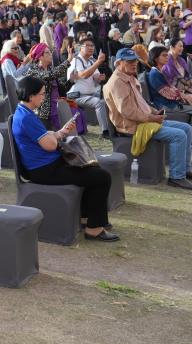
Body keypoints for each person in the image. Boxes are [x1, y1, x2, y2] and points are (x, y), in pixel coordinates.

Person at [12, 74, 117, 240]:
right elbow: (50, 145)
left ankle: (88, 218)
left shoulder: (24, 112)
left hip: (46, 165)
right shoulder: (26, 117)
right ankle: (94, 228)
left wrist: (61, 132)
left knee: (92, 169)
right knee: (101, 177)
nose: (44, 97)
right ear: (31, 96)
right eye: (42, 94)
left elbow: (44, 137)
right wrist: (56, 137)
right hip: (44, 170)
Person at [104, 48, 192, 191]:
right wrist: (151, 117)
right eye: (130, 61)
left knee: (186, 128)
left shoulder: (129, 77)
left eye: (135, 61)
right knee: (179, 135)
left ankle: (184, 170)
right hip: (132, 126)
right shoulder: (117, 83)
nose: (134, 64)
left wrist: (155, 112)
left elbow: (141, 103)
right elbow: (127, 112)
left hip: (144, 121)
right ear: (119, 63)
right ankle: (176, 177)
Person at [145, 46, 192, 147]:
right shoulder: (154, 74)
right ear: (156, 58)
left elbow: (171, 88)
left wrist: (183, 95)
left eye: (167, 55)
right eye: (164, 55)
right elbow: (167, 93)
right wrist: (183, 96)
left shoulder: (159, 71)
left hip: (170, 102)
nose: (167, 57)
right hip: (165, 105)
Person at [65, 38, 110, 134]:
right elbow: (83, 75)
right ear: (80, 48)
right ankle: (105, 131)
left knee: (108, 99)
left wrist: (100, 77)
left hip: (90, 94)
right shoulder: (76, 60)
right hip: (75, 95)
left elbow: (96, 77)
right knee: (99, 102)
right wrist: (98, 62)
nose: (91, 48)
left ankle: (114, 127)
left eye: (92, 46)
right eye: (87, 45)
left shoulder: (91, 61)